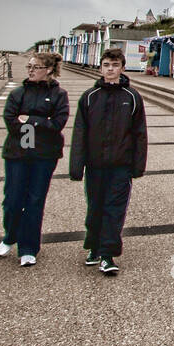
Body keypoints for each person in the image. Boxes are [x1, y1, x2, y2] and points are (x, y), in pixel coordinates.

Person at [69, 48, 147, 275]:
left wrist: (138, 165)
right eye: (106, 65)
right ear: (100, 68)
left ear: (122, 68)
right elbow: (80, 133)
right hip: (95, 165)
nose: (110, 69)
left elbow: (140, 133)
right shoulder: (90, 97)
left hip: (120, 166)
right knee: (95, 208)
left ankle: (107, 255)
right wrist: (77, 166)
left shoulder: (132, 97)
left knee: (115, 210)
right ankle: (93, 247)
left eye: (115, 65)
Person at [0, 51, 69, 266]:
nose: (30, 70)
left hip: (44, 156)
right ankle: (10, 235)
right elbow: (11, 121)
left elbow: (57, 124)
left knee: (35, 200)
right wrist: (40, 122)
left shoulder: (59, 95)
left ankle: (28, 247)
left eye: (35, 67)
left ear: (48, 70)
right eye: (28, 66)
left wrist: (30, 119)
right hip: (18, 154)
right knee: (12, 200)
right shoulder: (17, 93)